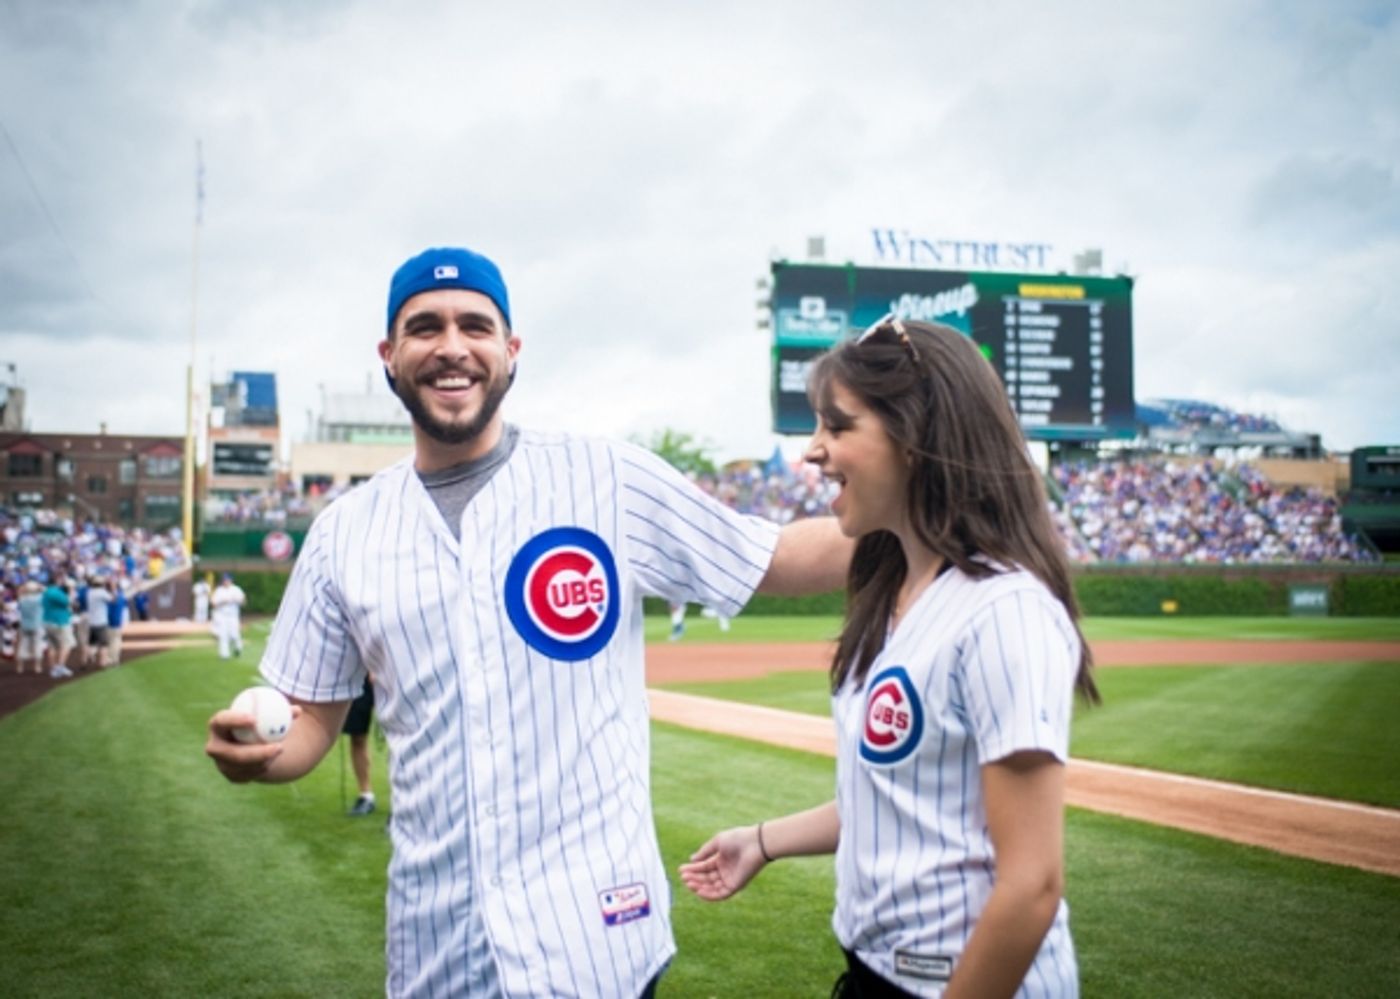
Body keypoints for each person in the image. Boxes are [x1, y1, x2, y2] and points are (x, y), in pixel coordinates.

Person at [205, 245, 852, 999]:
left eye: (476, 325)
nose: (452, 346)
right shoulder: (344, 531)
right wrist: (259, 755)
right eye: (425, 327)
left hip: (597, 940)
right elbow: (311, 717)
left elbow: (775, 556)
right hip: (439, 944)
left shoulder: (606, 478)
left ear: (510, 351)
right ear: (390, 354)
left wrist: (951, 514)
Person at [679, 315, 1100, 998]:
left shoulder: (1004, 612)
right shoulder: (896, 590)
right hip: (875, 973)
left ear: (916, 438)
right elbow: (899, 800)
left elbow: (1032, 888)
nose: (813, 451)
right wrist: (761, 839)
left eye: (838, 426)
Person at [342, 675, 377, 816]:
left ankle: (401, 802)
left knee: (398, 737)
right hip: (360, 678)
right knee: (358, 736)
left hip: (389, 676)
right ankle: (366, 796)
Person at [41, 571, 76, 679]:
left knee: (53, 646)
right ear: (57, 580)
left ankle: (53, 669)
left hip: (48, 621)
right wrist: (70, 590)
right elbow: (69, 601)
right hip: (59, 622)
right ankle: (60, 666)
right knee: (67, 644)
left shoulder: (46, 591)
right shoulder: (55, 592)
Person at [210, 573, 246, 659]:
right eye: (224, 580)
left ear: (231, 580)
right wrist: (222, 602)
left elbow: (243, 601)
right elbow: (213, 603)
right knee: (223, 635)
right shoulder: (219, 590)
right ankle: (224, 654)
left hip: (233, 616)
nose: (226, 582)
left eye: (227, 580)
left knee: (234, 634)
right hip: (222, 615)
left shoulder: (236, 589)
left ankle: (238, 647)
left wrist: (237, 600)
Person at [16, 580, 45, 675]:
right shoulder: (39, 598)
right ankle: (37, 667)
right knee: (37, 646)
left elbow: (19, 592)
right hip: (37, 625)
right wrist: (40, 588)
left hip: (24, 625)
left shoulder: (22, 599)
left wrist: (25, 588)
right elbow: (46, 592)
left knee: (23, 646)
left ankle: (20, 667)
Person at [84, 575, 112, 669]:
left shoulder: (90, 592)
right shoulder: (101, 592)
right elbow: (112, 599)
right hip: (100, 621)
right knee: (104, 643)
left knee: (92, 642)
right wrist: (112, 588)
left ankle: (88, 657)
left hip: (92, 621)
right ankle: (103, 662)